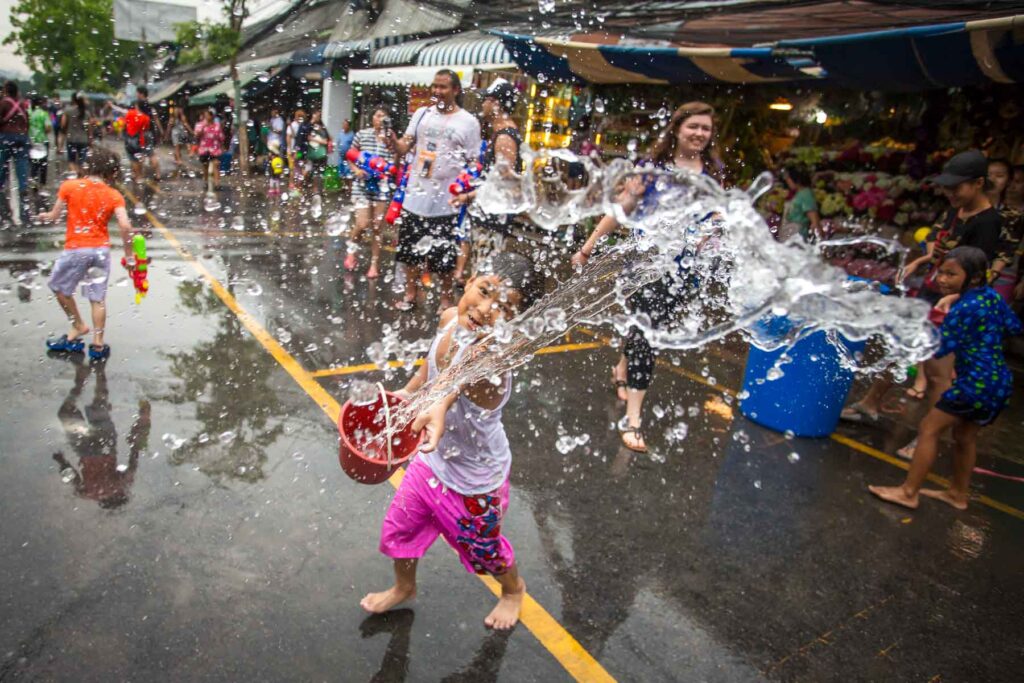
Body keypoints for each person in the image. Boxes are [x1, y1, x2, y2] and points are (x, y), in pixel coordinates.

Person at [360, 252, 543, 630]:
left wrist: (439, 403)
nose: (486, 309)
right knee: (399, 528)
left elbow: (458, 377)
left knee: (484, 554)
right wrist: (407, 396)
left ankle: (513, 590)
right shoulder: (448, 320)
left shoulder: (494, 362)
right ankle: (404, 587)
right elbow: (432, 368)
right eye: (485, 291)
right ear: (470, 279)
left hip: (476, 482)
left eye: (505, 308)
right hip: (432, 461)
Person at [571, 101, 720, 452]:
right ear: (677, 128)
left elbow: (716, 212)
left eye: (706, 129)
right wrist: (589, 246)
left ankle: (620, 369)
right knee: (648, 338)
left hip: (684, 269)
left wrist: (714, 227)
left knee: (647, 328)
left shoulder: (711, 170)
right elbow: (623, 209)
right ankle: (634, 420)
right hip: (645, 267)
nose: (699, 134)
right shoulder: (652, 168)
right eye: (693, 127)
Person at [869, 247, 1022, 510]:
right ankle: (957, 494)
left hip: (974, 383)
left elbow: (939, 348)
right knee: (965, 436)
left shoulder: (965, 308)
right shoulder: (991, 297)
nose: (942, 279)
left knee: (929, 428)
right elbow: (1014, 327)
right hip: (998, 381)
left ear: (973, 278)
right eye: (941, 272)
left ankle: (908, 492)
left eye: (951, 274)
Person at [895, 149, 1002, 402]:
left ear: (978, 183)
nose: (950, 193)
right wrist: (922, 261)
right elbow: (937, 243)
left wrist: (954, 299)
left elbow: (975, 270)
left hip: (951, 299)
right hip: (933, 287)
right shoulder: (956, 210)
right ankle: (870, 403)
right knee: (902, 347)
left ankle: (926, 437)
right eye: (947, 187)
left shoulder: (988, 222)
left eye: (957, 187)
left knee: (938, 371)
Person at [390, 69, 482, 310]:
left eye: (443, 87)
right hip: (415, 197)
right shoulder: (422, 114)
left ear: (455, 90)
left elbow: (474, 165)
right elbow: (404, 146)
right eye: (435, 87)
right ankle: (411, 294)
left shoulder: (469, 122)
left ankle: (445, 298)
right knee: (409, 252)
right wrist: (393, 143)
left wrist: (465, 192)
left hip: (445, 202)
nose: (437, 92)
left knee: (444, 257)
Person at [37, 146, 136, 361]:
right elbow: (126, 226)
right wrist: (129, 257)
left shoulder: (69, 186)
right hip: (100, 250)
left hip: (75, 248)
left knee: (59, 287)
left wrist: (44, 216)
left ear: (87, 166)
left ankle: (79, 325)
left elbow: (54, 216)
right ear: (111, 172)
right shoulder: (114, 195)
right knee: (97, 298)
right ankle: (98, 345)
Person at [450, 78, 523, 285]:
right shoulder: (500, 133)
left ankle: (478, 312)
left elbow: (502, 183)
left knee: (486, 271)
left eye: (486, 100)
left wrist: (467, 196)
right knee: (481, 267)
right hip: (489, 214)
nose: (483, 104)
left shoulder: (505, 137)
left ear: (497, 103)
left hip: (494, 218)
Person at [344, 107, 395, 279]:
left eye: (384, 116)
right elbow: (350, 156)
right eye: (378, 115)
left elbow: (395, 162)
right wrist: (356, 170)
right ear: (372, 118)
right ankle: (351, 251)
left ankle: (374, 265)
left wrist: (388, 169)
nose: (380, 119)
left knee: (377, 227)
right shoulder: (362, 134)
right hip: (362, 186)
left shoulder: (390, 139)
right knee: (363, 223)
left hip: (381, 187)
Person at [0, 80, 32, 225]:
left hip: (6, 138)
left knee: (2, 173)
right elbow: (27, 123)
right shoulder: (22, 104)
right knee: (22, 177)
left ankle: (4, 214)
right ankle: (25, 215)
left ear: (6, 90)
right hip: (22, 139)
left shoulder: (4, 103)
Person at [779, 165, 821, 242]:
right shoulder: (799, 193)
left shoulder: (806, 194)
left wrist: (819, 238)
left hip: (799, 234)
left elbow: (814, 218)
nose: (787, 181)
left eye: (789, 179)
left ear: (797, 180)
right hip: (791, 232)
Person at [193, 109, 225, 194]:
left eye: (209, 115)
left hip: (215, 149)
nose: (207, 117)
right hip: (204, 149)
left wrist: (222, 147)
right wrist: (204, 127)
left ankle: (217, 184)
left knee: (216, 164)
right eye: (206, 114)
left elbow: (221, 138)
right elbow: (196, 136)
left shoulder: (217, 126)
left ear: (212, 116)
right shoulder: (200, 125)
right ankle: (206, 181)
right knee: (205, 166)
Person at [28, 94, 52, 201]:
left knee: (33, 165)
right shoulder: (43, 113)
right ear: (40, 102)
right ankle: (42, 185)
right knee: (43, 165)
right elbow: (48, 128)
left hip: (31, 142)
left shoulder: (28, 112)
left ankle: (33, 186)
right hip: (43, 142)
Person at [61, 92, 91, 177]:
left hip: (71, 139)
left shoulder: (68, 111)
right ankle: (81, 179)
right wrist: (90, 140)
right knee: (82, 162)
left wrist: (60, 143)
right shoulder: (87, 113)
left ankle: (74, 180)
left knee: (71, 161)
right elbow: (89, 128)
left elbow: (63, 126)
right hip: (83, 140)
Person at [303, 110, 329, 193]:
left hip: (320, 154)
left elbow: (325, 141)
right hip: (311, 153)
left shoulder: (322, 129)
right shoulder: (309, 126)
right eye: (315, 115)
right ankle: (311, 188)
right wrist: (311, 121)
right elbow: (304, 134)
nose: (316, 117)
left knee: (318, 173)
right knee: (311, 171)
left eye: (318, 116)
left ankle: (317, 190)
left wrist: (314, 139)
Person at [168, 103, 193, 175]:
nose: (178, 110)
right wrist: (167, 134)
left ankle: (178, 157)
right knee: (177, 147)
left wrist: (191, 131)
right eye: (177, 109)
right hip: (175, 133)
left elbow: (186, 124)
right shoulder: (173, 117)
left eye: (179, 109)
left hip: (182, 133)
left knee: (180, 146)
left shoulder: (182, 117)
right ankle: (178, 159)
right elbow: (169, 126)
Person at [286, 109, 306, 189]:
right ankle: (291, 184)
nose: (300, 118)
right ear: (296, 116)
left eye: (301, 117)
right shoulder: (293, 125)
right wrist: (290, 149)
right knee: (292, 167)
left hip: (299, 150)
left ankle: (298, 185)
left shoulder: (302, 125)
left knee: (299, 167)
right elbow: (288, 137)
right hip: (291, 150)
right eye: (299, 116)